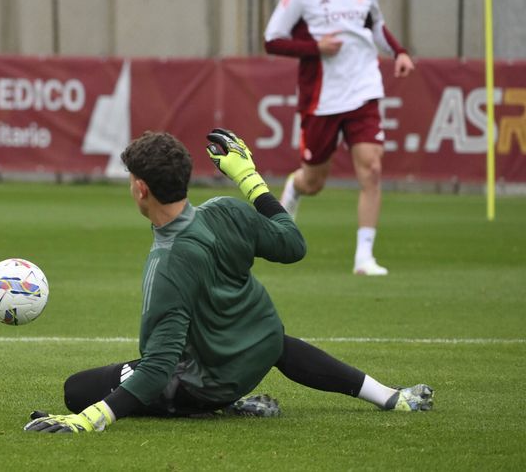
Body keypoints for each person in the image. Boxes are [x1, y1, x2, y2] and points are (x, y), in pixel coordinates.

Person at [24, 129, 432, 433]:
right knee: (267, 338)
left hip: (211, 383)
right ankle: (389, 396)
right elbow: (293, 244)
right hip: (264, 346)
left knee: (78, 389)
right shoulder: (225, 211)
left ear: (140, 189)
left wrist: (88, 419)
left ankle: (222, 404)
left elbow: (157, 367)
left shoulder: (166, 264)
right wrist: (248, 176)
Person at [264, 0, 415, 276]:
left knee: (372, 169)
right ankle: (295, 187)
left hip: (364, 89)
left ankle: (364, 257)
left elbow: (376, 26)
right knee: (314, 181)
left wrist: (400, 52)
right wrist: (314, 47)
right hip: (322, 98)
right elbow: (272, 40)